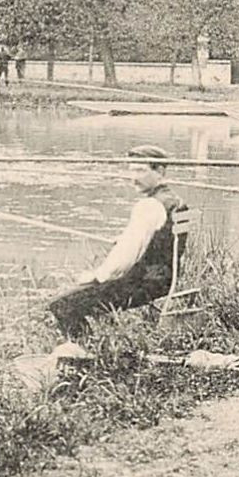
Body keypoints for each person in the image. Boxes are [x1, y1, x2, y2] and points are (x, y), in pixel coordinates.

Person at [48, 145, 189, 339]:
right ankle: (96, 343)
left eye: (140, 170)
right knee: (80, 298)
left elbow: (125, 258)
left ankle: (86, 353)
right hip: (165, 280)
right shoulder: (175, 201)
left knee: (61, 305)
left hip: (143, 284)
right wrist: (125, 240)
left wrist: (97, 276)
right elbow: (154, 240)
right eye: (131, 170)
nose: (133, 177)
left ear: (160, 171)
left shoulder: (148, 205)